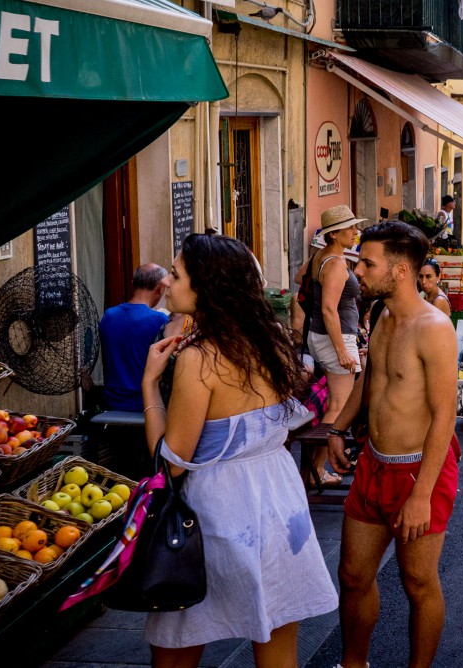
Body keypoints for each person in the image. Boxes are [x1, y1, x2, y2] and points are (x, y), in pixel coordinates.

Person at [140, 233, 337, 666]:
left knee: (176, 643)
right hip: (279, 501)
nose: (167, 283)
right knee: (278, 640)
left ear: (206, 285)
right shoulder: (275, 342)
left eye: (176, 274)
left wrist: (149, 384)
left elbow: (169, 465)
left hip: (218, 514)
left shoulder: (200, 358)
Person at [328, 220, 461, 668]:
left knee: (418, 581)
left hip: (419, 469)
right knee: (352, 576)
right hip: (374, 463)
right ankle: (353, 664)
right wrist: (337, 428)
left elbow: (446, 414)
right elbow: (371, 380)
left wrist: (421, 495)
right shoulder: (383, 314)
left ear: (400, 271)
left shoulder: (435, 328)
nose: (358, 271)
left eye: (367, 263)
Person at [305, 205, 366, 486]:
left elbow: (299, 278)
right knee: (338, 406)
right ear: (334, 234)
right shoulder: (337, 263)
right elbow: (329, 310)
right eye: (350, 229)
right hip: (335, 338)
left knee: (336, 403)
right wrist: (342, 350)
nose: (355, 233)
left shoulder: (322, 256)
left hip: (323, 336)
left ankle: (313, 470)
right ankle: (314, 471)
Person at [98, 263, 169, 412]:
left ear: (133, 284)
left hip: (112, 403)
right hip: (146, 404)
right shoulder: (159, 320)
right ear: (159, 289)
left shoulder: (109, 316)